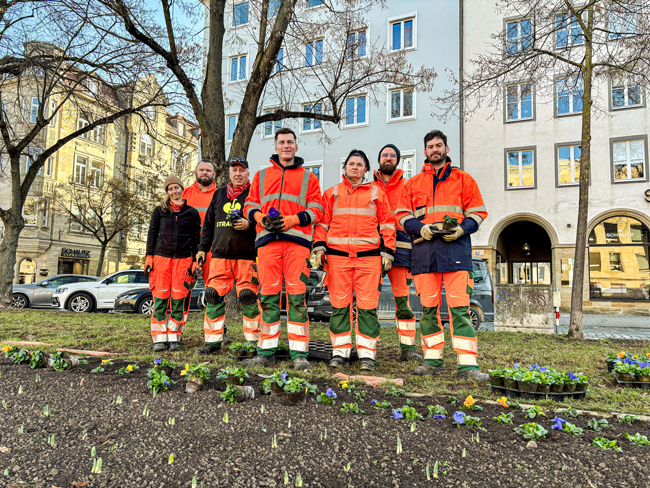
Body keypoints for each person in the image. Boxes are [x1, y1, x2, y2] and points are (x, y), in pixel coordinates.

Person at [401, 130, 489, 381]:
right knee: (428, 310)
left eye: (439, 145)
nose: (434, 150)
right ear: (425, 151)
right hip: (424, 253)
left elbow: (478, 213)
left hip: (456, 251)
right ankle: (432, 361)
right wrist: (421, 228)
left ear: (446, 149)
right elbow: (402, 216)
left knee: (460, 309)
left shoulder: (464, 179)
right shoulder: (413, 183)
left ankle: (468, 366)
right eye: (430, 146)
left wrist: (463, 229)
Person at [243, 127, 323, 370]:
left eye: (290, 142)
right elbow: (249, 204)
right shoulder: (261, 176)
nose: (286, 146)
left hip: (297, 244)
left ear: (296, 147)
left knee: (298, 297)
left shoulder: (310, 178)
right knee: (268, 296)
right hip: (267, 243)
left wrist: (292, 220)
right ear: (275, 147)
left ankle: (299, 353)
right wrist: (260, 218)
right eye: (282, 142)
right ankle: (266, 350)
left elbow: (317, 209)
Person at [313, 149, 396, 372]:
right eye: (351, 163)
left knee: (368, 307)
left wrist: (388, 251)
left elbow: (388, 224)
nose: (355, 167)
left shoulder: (377, 193)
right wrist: (319, 246)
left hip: (368, 260)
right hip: (337, 259)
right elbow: (321, 223)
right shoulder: (331, 193)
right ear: (345, 167)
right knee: (340, 306)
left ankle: (367, 355)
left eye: (360, 164)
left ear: (366, 169)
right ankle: (340, 352)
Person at [194, 158, 260, 355]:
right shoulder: (219, 194)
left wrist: (250, 225)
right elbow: (208, 225)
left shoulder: (255, 194)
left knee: (249, 297)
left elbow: (263, 222)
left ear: (248, 173)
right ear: (229, 174)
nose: (238, 174)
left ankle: (253, 342)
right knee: (213, 295)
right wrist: (202, 248)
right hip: (220, 255)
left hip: (247, 255)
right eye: (234, 170)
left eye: (242, 170)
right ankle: (212, 342)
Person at [372, 144, 423, 363]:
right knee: (369, 301)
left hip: (401, 248)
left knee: (403, 300)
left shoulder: (407, 185)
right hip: (373, 246)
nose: (389, 158)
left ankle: (408, 347)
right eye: (385, 155)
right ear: (379, 159)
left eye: (393, 156)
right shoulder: (368, 186)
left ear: (398, 160)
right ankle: (368, 348)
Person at [145, 175, 201, 352]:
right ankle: (159, 339)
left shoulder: (192, 213)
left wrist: (195, 262)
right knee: (160, 298)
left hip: (184, 260)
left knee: (179, 299)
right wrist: (149, 257)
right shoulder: (159, 211)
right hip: (161, 259)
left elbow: (196, 239)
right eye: (170, 189)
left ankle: (175, 337)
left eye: (176, 187)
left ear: (181, 188)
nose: (174, 191)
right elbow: (152, 235)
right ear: (167, 192)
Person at [181, 158, 217, 332]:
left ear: (214, 174)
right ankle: (177, 330)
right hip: (189, 249)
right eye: (201, 170)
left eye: (208, 171)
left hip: (213, 249)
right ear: (195, 172)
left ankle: (216, 331)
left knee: (215, 290)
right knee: (183, 290)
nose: (204, 173)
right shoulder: (185, 194)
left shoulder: (221, 195)